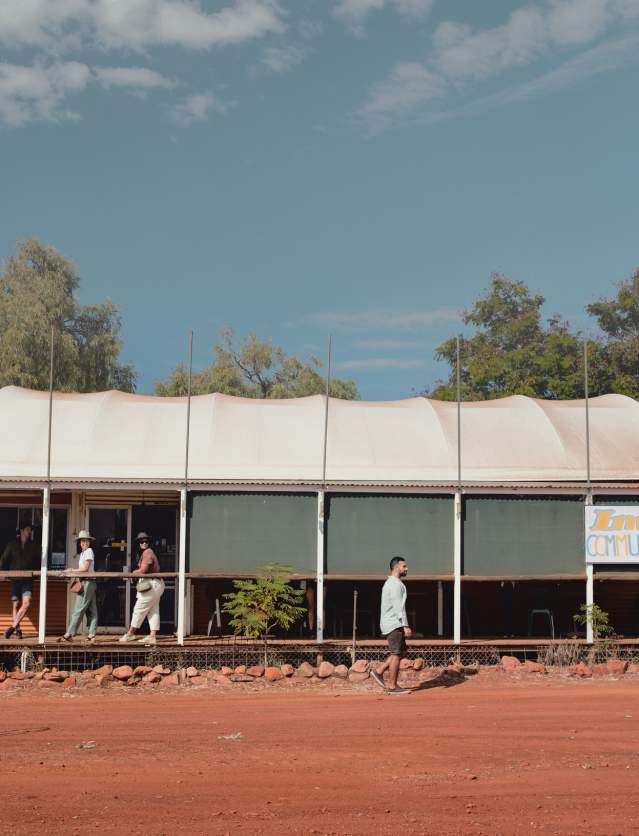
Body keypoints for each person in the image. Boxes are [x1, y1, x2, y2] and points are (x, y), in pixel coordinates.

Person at [371, 556, 412, 695]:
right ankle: (393, 687)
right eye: (404, 566)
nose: (406, 569)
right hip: (394, 624)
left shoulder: (393, 583)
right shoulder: (395, 584)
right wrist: (405, 625)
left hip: (393, 623)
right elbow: (398, 607)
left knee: (402, 652)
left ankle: (379, 671)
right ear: (396, 568)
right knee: (396, 654)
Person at [119, 532, 164, 646]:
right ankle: (152, 636)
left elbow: (144, 569)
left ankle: (130, 633)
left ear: (149, 543)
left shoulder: (148, 552)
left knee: (139, 609)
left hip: (151, 585)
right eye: (141, 541)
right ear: (138, 543)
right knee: (153, 610)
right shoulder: (147, 552)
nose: (144, 543)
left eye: (146, 541)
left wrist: (134, 572)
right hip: (156, 584)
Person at [58, 530, 98, 643]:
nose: (84, 543)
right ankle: (92, 634)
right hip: (87, 582)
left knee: (79, 608)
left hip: (88, 582)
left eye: (86, 541)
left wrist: (71, 570)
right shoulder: (83, 554)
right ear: (80, 543)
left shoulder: (89, 551)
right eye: (82, 541)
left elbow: (85, 569)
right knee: (92, 609)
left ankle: (69, 633)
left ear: (89, 542)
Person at [1, 523, 39, 639]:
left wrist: (37, 574)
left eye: (30, 530)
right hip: (15, 580)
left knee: (26, 603)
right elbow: (3, 559)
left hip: (27, 580)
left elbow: (40, 560)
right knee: (16, 604)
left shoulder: (34, 545)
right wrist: (2, 573)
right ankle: (18, 630)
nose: (30, 532)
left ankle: (12, 627)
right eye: (28, 529)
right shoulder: (12, 544)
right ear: (22, 530)